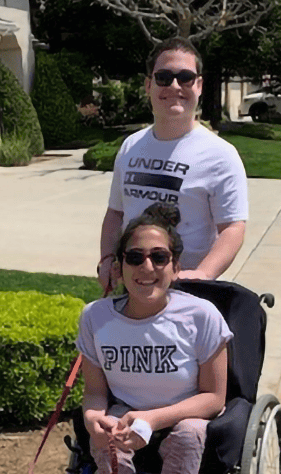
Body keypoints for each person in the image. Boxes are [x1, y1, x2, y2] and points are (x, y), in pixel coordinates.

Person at [78, 205, 232, 474]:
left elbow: (215, 398)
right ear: (118, 267)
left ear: (176, 266)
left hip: (184, 412)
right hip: (123, 411)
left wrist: (152, 419)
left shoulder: (201, 316)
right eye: (135, 257)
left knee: (190, 433)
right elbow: (94, 393)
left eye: (159, 257)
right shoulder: (95, 317)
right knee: (105, 439)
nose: (147, 266)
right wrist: (94, 420)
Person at [98, 37, 249, 292]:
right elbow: (116, 213)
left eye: (186, 77)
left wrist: (203, 273)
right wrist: (106, 260)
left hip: (189, 291)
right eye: (164, 77)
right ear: (148, 85)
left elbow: (233, 227)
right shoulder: (130, 147)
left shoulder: (221, 155)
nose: (175, 85)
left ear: (199, 85)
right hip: (134, 289)